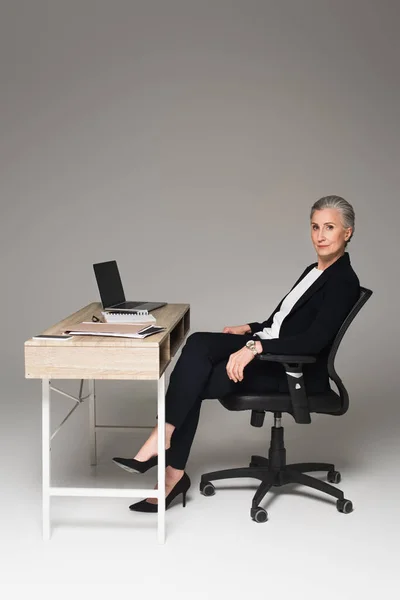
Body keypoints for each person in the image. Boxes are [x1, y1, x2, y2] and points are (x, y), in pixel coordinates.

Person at [113, 195, 360, 512]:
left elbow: (312, 341)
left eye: (329, 227)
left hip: (290, 368)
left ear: (347, 232)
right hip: (269, 347)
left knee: (196, 380)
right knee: (199, 343)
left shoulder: (343, 281)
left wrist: (255, 347)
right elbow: (281, 323)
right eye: (315, 227)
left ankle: (170, 470)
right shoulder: (313, 270)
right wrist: (252, 328)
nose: (320, 236)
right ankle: (165, 445)